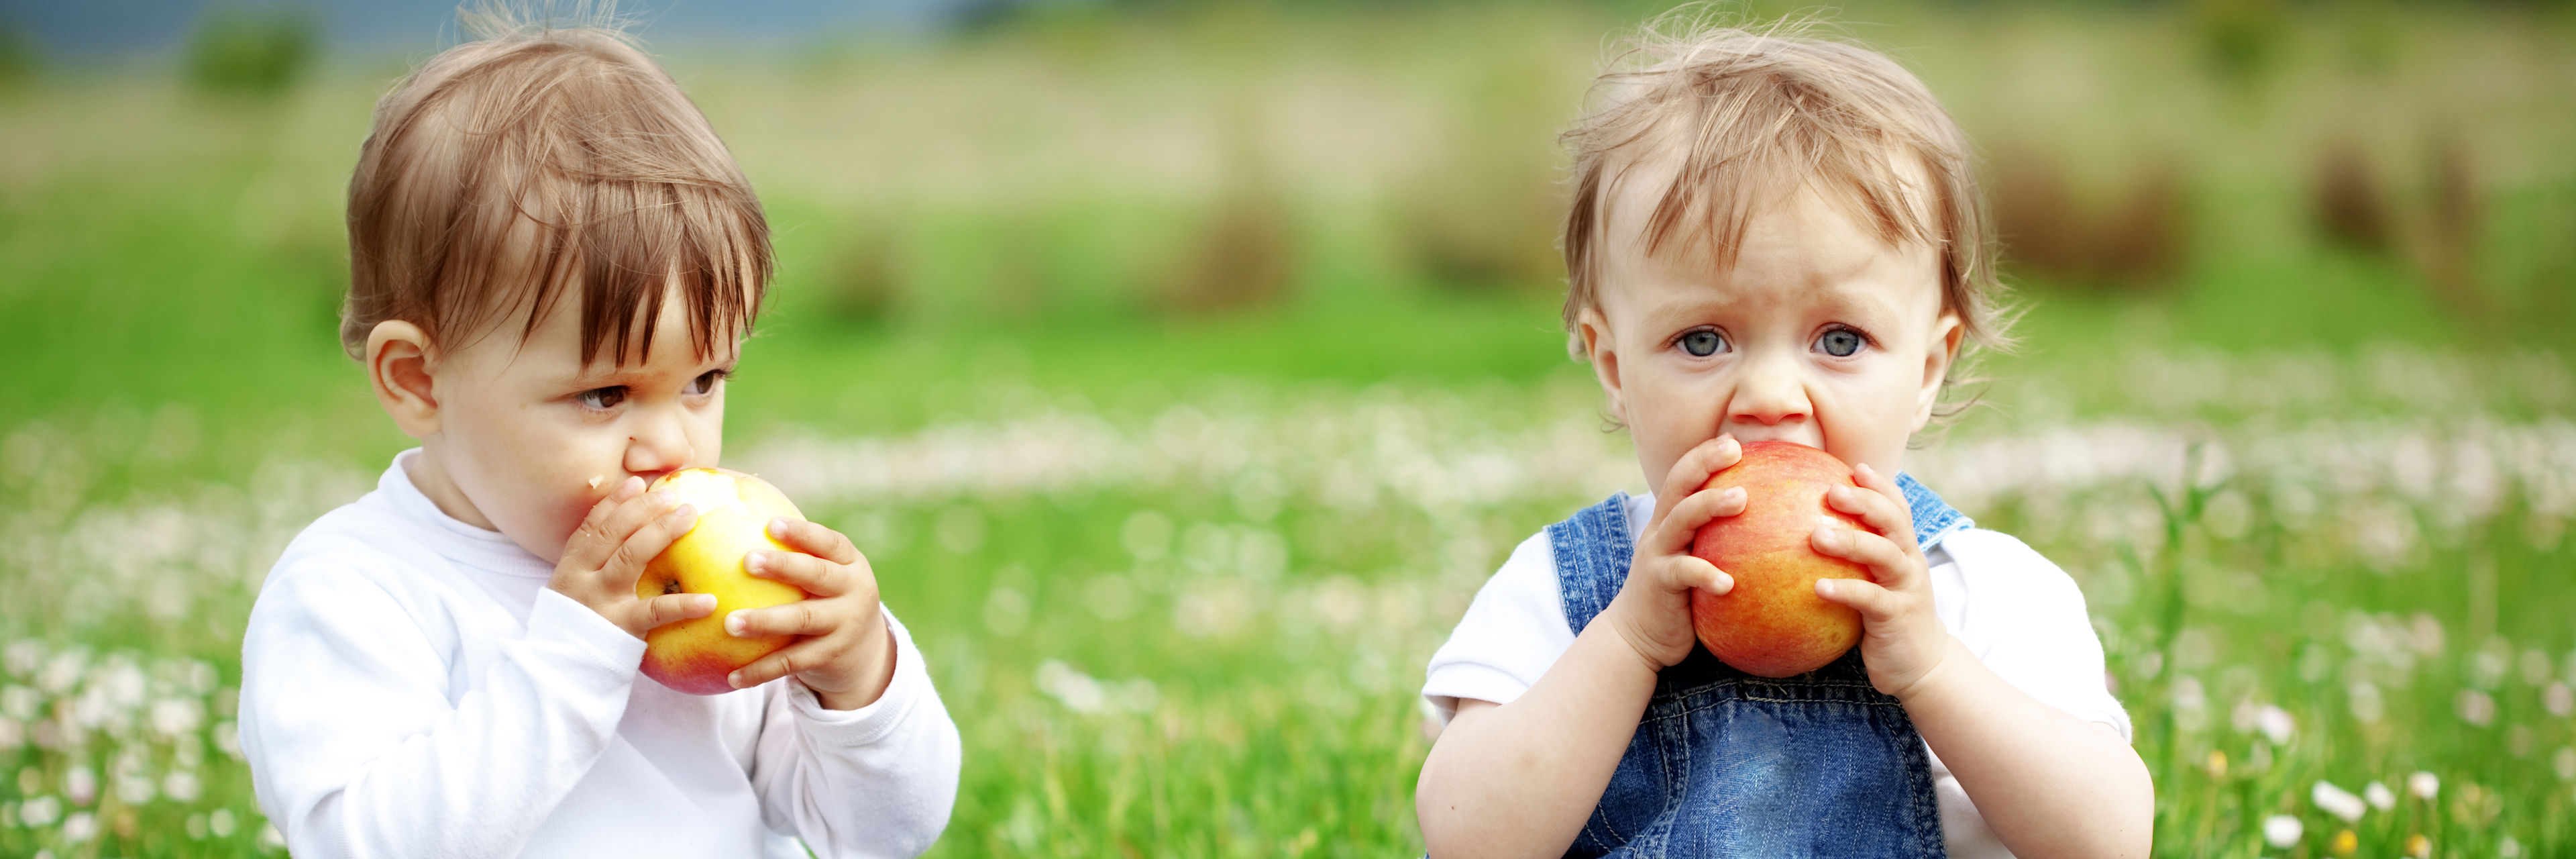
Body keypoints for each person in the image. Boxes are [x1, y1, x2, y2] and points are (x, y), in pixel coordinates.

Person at [1413, 12, 2153, 858]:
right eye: (1702, 339)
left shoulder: (1988, 596)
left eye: (1840, 340)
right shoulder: (1562, 593)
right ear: (1615, 367)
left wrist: (1934, 669)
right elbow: (1468, 838)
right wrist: (1626, 642)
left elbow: (2110, 840)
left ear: (1925, 367)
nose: (1768, 396)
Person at [237, 12, 959, 858]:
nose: (673, 449)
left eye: (703, 381)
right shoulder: (356, 593)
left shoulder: (714, 585)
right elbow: (361, 843)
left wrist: (860, 681)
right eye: (605, 393)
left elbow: (885, 834)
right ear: (420, 380)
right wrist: (575, 654)